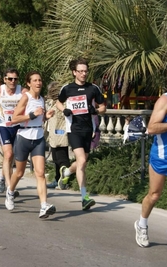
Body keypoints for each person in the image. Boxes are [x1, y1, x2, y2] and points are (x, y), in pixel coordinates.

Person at [4, 71, 56, 218]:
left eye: (40, 80)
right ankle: (10, 192)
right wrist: (33, 114)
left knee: (40, 173)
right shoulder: (25, 98)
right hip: (24, 137)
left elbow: (40, 118)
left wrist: (46, 116)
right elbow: (14, 118)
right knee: (19, 173)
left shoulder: (42, 99)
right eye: (35, 80)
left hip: (38, 137)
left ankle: (43, 206)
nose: (38, 83)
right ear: (28, 83)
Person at [56, 58, 106, 210]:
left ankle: (66, 172)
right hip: (74, 130)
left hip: (88, 130)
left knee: (81, 162)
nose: (84, 74)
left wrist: (95, 111)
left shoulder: (93, 88)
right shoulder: (67, 88)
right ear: (74, 72)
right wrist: (63, 109)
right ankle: (84, 197)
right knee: (82, 161)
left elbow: (103, 106)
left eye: (85, 71)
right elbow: (58, 102)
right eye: (81, 71)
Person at [134, 90, 167, 247]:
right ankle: (142, 224)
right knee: (154, 194)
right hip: (164, 155)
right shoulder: (165, 100)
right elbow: (152, 127)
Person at [0, 68, 25, 194]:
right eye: (10, 78)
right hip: (3, 125)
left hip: (18, 125)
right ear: (5, 79)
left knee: (12, 155)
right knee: (8, 154)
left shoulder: (22, 91)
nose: (12, 81)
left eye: (15, 79)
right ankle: (10, 188)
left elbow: (32, 99)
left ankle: (2, 177)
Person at [45, 81, 75, 190]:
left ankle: (63, 181)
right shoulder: (56, 103)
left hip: (58, 132)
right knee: (58, 158)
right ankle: (58, 179)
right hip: (58, 133)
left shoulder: (58, 104)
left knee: (61, 158)